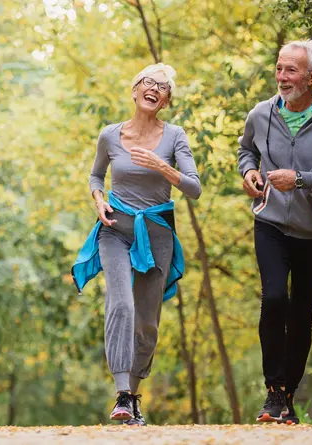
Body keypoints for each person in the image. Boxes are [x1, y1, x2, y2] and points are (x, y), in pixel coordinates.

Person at [237, 38, 312, 425]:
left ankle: (286, 397)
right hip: (269, 222)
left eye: (291, 70)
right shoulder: (261, 113)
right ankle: (273, 390)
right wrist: (249, 172)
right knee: (274, 299)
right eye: (279, 68)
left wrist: (302, 180)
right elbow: (246, 150)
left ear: (311, 77)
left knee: (302, 312)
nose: (282, 77)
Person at [71, 63, 200, 426]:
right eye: (147, 82)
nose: (154, 88)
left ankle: (135, 393)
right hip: (115, 229)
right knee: (121, 306)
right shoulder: (110, 136)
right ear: (134, 90)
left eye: (162, 87)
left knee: (147, 322)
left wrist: (163, 167)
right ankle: (122, 393)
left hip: (156, 233)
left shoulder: (175, 136)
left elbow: (194, 186)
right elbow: (97, 174)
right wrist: (98, 199)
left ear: (166, 101)